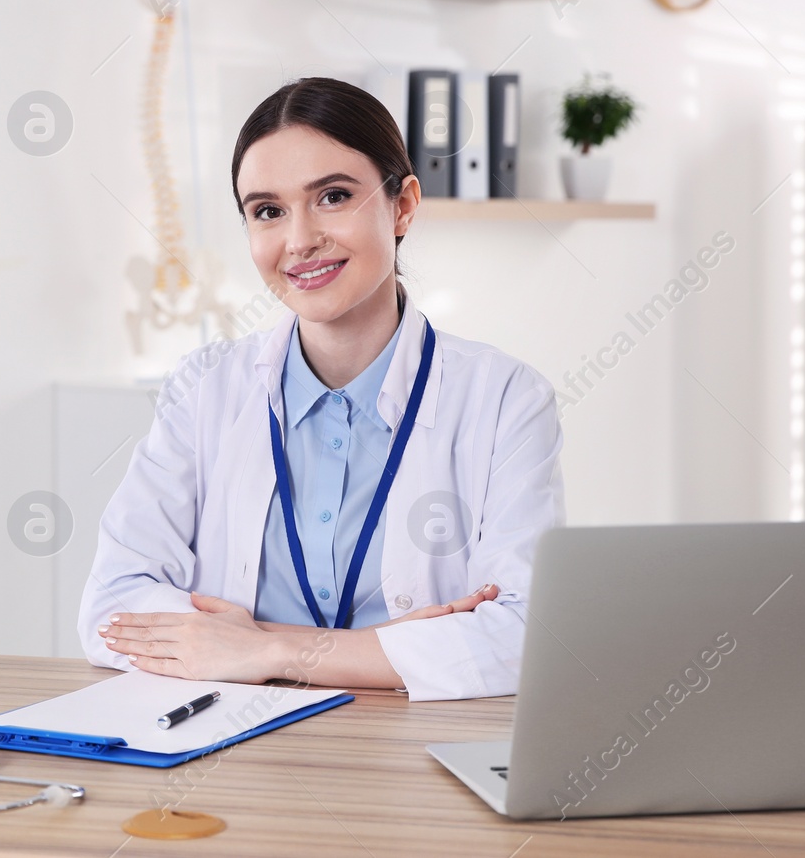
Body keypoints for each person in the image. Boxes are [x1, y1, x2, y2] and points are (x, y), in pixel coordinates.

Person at [80, 76, 564, 701]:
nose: (299, 240)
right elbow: (114, 609)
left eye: (333, 197)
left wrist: (267, 648)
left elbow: (524, 638)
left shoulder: (505, 398)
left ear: (404, 206)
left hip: (416, 758)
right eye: (267, 211)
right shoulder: (204, 390)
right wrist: (387, 652)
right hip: (233, 750)